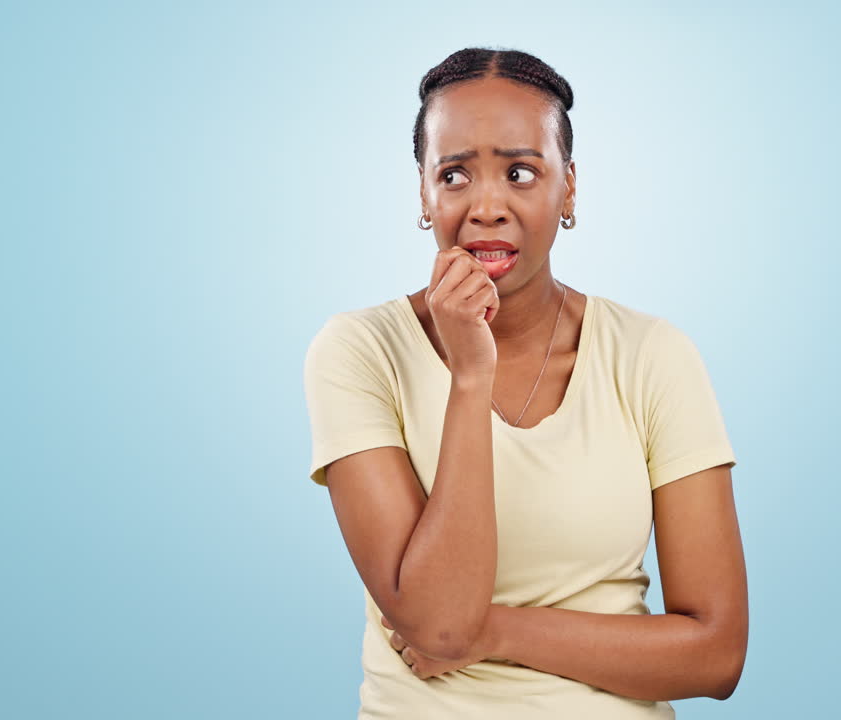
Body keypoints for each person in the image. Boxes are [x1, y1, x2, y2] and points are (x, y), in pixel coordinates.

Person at [303, 47, 748, 719]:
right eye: (454, 175)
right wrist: (470, 376)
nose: (486, 206)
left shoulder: (652, 356)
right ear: (423, 194)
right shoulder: (359, 352)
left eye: (520, 171)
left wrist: (499, 631)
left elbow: (716, 655)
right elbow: (441, 624)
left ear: (568, 188)